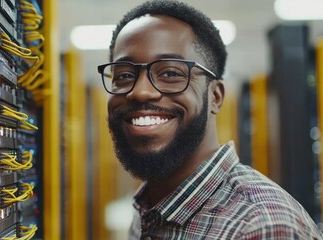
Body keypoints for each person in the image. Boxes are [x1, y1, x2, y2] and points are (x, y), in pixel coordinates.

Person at [97, 0, 323, 239]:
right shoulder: (150, 207)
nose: (140, 92)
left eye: (171, 73)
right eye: (123, 75)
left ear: (215, 96)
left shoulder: (262, 226)